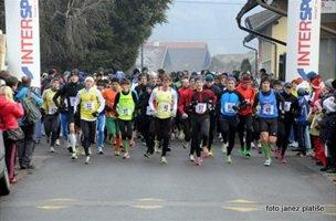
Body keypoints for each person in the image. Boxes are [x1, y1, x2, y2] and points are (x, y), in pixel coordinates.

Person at [253, 77, 284, 166]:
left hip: (274, 118)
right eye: (263, 83)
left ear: (270, 85)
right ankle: (268, 158)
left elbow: (282, 100)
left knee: (271, 140)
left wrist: (282, 110)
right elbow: (254, 105)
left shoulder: (275, 93)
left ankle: (270, 147)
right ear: (261, 85)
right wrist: (254, 112)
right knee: (264, 138)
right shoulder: (258, 94)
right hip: (263, 118)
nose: (265, 85)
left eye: (267, 83)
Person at [53, 70, 83, 159]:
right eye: (72, 76)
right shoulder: (66, 86)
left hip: (80, 112)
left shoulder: (81, 87)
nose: (74, 77)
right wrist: (60, 106)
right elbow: (55, 97)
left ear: (78, 77)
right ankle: (74, 151)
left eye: (75, 76)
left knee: (80, 132)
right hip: (70, 111)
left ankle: (77, 145)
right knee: (71, 129)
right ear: (70, 77)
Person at [74, 76, 105, 164]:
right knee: (86, 134)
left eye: (90, 82)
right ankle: (87, 152)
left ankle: (86, 144)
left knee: (91, 137)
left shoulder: (96, 92)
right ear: (84, 83)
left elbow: (102, 102)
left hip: (93, 117)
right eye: (87, 82)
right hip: (84, 117)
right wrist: (75, 111)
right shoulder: (80, 92)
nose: (88, 83)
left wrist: (98, 111)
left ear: (93, 83)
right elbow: (76, 103)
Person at [149, 73, 178, 164]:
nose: (166, 83)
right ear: (161, 82)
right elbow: (150, 101)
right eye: (164, 81)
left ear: (170, 82)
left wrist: (174, 110)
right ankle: (157, 142)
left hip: (168, 116)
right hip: (158, 115)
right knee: (157, 133)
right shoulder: (156, 90)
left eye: (168, 82)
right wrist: (153, 110)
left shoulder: (172, 91)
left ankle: (163, 155)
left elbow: (175, 102)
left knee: (166, 135)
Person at [15, 77, 43, 169]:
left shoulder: (16, 92)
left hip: (18, 120)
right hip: (29, 119)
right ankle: (26, 162)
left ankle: (20, 162)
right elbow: (40, 102)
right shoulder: (29, 92)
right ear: (29, 82)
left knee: (21, 141)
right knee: (30, 140)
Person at [188, 77, 216, 165]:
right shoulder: (193, 94)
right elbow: (189, 106)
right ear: (195, 84)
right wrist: (192, 105)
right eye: (197, 83)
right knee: (196, 138)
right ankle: (199, 157)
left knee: (205, 133)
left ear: (202, 84)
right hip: (195, 117)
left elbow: (214, 98)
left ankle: (204, 146)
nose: (199, 84)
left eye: (200, 83)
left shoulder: (207, 93)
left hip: (205, 116)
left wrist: (212, 104)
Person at [0, 86, 24, 183]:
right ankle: (10, 176)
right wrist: (19, 104)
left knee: (2, 154)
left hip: (1, 131)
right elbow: (20, 114)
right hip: (11, 131)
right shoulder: (11, 105)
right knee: (11, 155)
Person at [219, 77, 245, 164]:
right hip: (224, 116)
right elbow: (217, 102)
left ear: (235, 85)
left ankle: (229, 155)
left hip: (233, 117)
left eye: (232, 83)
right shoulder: (222, 93)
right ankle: (225, 141)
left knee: (232, 137)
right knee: (224, 129)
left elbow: (244, 103)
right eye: (229, 83)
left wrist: (238, 108)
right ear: (226, 84)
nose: (230, 85)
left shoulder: (238, 94)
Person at [113, 78, 138, 159]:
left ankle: (131, 141)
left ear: (129, 85)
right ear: (121, 86)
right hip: (121, 117)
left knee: (129, 134)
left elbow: (136, 104)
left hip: (130, 117)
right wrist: (117, 113)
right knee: (123, 134)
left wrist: (134, 113)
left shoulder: (132, 94)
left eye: (126, 85)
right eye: (123, 85)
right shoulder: (119, 94)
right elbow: (115, 105)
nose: (125, 86)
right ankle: (126, 152)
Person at [277, 83, 298, 163]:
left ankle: (282, 155)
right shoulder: (279, 96)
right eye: (287, 88)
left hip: (289, 119)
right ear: (284, 88)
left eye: (290, 88)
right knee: (281, 133)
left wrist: (294, 113)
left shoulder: (294, 98)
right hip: (280, 119)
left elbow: (296, 109)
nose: (288, 90)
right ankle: (278, 147)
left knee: (286, 137)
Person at [236, 74, 256, 158]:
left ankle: (248, 149)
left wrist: (251, 102)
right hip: (239, 113)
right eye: (245, 83)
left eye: (248, 83)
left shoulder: (252, 90)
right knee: (240, 131)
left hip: (248, 112)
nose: (247, 85)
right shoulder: (237, 89)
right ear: (241, 82)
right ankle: (241, 146)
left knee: (249, 129)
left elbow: (254, 100)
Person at [102, 78, 122, 156]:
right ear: (111, 84)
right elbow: (100, 100)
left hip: (119, 115)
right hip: (109, 114)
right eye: (113, 84)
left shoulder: (121, 92)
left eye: (116, 84)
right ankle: (114, 142)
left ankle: (117, 149)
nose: (114, 85)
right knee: (112, 132)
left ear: (118, 84)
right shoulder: (106, 92)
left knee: (118, 133)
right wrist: (105, 105)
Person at [202, 74, 221, 156]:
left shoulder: (216, 89)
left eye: (210, 81)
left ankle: (209, 147)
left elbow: (219, 101)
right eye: (207, 81)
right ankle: (203, 144)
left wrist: (218, 111)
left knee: (211, 130)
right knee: (204, 130)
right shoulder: (203, 88)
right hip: (204, 112)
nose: (209, 83)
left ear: (213, 81)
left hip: (213, 112)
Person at [42, 79, 61, 153]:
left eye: (57, 84)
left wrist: (59, 109)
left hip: (56, 114)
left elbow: (62, 101)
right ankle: (47, 135)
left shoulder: (60, 92)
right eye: (54, 83)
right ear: (51, 84)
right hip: (47, 113)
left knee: (54, 129)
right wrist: (42, 108)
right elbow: (42, 101)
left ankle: (52, 146)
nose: (56, 85)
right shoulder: (46, 92)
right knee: (47, 129)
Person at [178, 77, 193, 149]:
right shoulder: (180, 91)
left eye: (187, 82)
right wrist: (182, 112)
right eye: (184, 82)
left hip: (193, 111)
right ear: (182, 83)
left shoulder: (192, 90)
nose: (186, 84)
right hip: (185, 111)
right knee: (187, 128)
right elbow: (180, 104)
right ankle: (187, 140)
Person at [96, 80, 107, 154]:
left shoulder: (105, 93)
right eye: (99, 85)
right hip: (94, 115)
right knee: (95, 131)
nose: (100, 87)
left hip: (102, 115)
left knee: (101, 130)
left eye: (102, 86)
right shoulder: (94, 93)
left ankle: (100, 145)